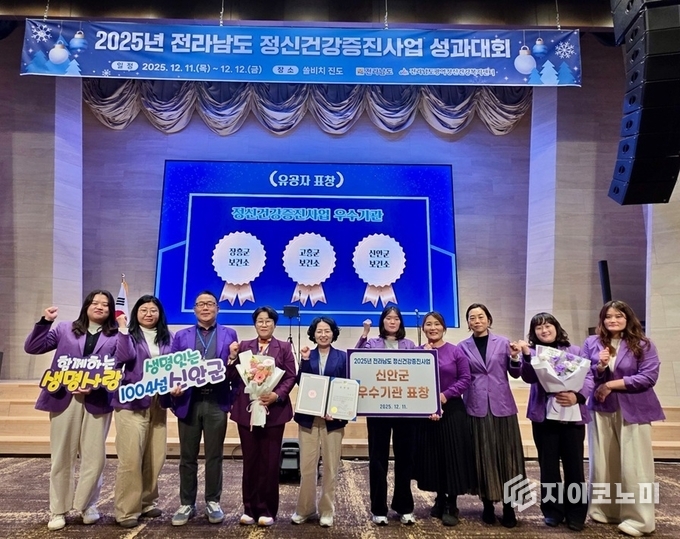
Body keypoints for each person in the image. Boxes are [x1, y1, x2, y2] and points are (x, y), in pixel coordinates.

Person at [24, 290, 128, 531]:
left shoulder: (115, 335)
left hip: (97, 398)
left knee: (95, 457)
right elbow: (33, 347)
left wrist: (123, 329)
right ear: (86, 305)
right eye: (95, 302)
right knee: (62, 456)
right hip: (64, 397)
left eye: (105, 304)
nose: (100, 307)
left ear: (111, 309)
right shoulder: (64, 328)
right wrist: (45, 322)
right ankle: (58, 509)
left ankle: (87, 505)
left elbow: (125, 359)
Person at [583, 300, 664, 538]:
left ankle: (640, 520)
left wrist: (611, 384)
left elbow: (648, 377)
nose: (613, 320)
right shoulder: (592, 343)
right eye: (608, 316)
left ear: (628, 319)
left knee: (635, 465)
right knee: (604, 463)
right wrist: (600, 366)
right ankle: (606, 510)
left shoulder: (643, 344)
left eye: (618, 316)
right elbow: (585, 373)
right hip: (601, 408)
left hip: (634, 409)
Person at [166, 290, 238, 526]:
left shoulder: (229, 334)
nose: (205, 308)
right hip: (189, 401)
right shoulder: (181, 336)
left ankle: (213, 501)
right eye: (201, 304)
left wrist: (232, 361)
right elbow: (172, 368)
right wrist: (173, 387)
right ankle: (186, 503)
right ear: (195, 309)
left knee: (214, 455)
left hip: (216, 401)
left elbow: (234, 369)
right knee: (187, 456)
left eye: (210, 304)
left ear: (217, 308)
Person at [517, 312, 593, 531]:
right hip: (544, 417)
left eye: (548, 325)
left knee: (574, 467)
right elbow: (528, 377)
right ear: (534, 333)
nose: (544, 330)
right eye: (539, 327)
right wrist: (526, 355)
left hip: (572, 415)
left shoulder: (574, 350)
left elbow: (589, 377)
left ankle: (576, 513)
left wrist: (577, 397)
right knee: (548, 467)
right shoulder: (533, 352)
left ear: (556, 327)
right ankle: (552, 511)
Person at [227, 306, 297, 527]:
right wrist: (231, 358)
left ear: (274, 324)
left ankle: (267, 509)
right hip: (247, 411)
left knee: (269, 462)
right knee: (250, 461)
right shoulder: (244, 347)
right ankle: (249, 508)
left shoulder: (284, 347)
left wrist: (277, 395)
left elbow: (291, 376)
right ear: (255, 324)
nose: (264, 324)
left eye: (268, 321)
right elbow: (232, 377)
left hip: (273, 412)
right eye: (260, 320)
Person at [457, 303, 525, 528]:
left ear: (489, 319)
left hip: (502, 406)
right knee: (483, 456)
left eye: (480, 316)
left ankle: (509, 507)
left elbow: (515, 373)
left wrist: (515, 358)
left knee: (508, 457)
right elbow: (461, 376)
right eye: (472, 318)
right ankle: (487, 504)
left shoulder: (504, 342)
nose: (477, 321)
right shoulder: (462, 346)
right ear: (468, 323)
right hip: (476, 406)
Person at [111, 295, 172, 528]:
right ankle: (127, 510)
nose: (149, 314)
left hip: (159, 401)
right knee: (131, 457)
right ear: (136, 313)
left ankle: (147, 501)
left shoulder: (168, 337)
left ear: (160, 313)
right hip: (131, 402)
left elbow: (175, 366)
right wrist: (123, 329)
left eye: (153, 310)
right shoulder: (126, 335)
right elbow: (123, 357)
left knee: (155, 455)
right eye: (144, 309)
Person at [357, 305, 418, 526]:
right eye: (388, 318)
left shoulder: (410, 345)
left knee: (405, 459)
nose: (392, 321)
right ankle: (378, 509)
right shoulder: (372, 343)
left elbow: (419, 373)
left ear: (400, 322)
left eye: (396, 318)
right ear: (382, 321)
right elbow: (357, 360)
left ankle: (404, 507)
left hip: (405, 411)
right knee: (377, 459)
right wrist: (364, 334)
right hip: (378, 409)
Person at [413, 312, 475, 526]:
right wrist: (422, 358)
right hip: (425, 411)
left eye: (437, 324)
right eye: (428, 324)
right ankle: (439, 498)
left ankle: (451, 503)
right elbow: (410, 378)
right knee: (434, 455)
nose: (433, 328)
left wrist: (444, 396)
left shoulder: (456, 351)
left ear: (444, 328)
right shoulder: (417, 352)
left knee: (452, 455)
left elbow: (465, 378)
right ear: (423, 329)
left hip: (452, 410)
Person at [291, 317, 348, 528]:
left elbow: (346, 387)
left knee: (331, 467)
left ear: (333, 333)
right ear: (313, 334)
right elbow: (301, 382)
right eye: (319, 331)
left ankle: (327, 510)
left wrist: (337, 411)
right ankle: (305, 509)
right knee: (307, 467)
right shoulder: (308, 355)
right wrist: (305, 360)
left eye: (327, 331)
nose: (323, 334)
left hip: (333, 420)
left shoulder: (342, 357)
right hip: (308, 418)